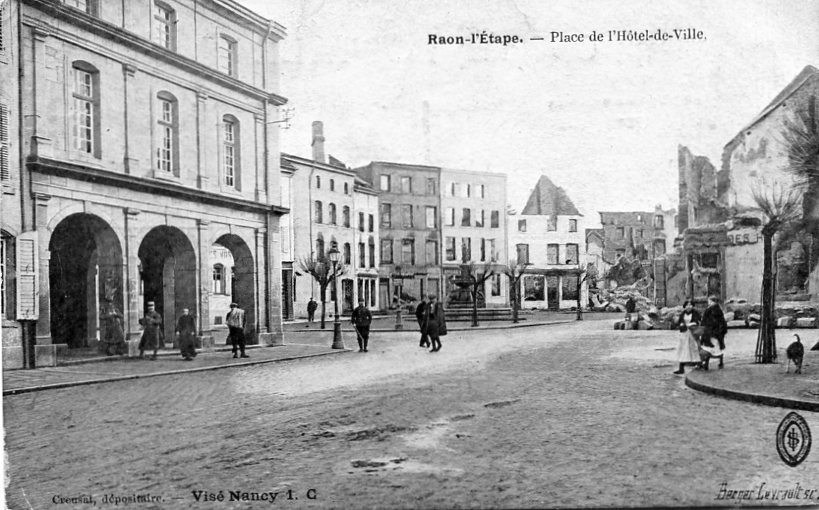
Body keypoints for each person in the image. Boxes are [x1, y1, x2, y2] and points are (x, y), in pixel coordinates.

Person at [672, 300, 702, 375]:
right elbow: (679, 322)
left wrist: (690, 324)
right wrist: (681, 324)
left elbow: (697, 321)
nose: (689, 307)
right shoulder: (683, 314)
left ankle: (699, 363)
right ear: (684, 306)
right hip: (684, 333)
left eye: (690, 305)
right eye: (687, 305)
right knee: (683, 349)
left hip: (693, 333)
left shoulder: (695, 313)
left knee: (694, 348)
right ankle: (681, 368)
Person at [700, 295, 727, 369]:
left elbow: (708, 320)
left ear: (713, 302)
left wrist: (705, 327)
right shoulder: (717, 309)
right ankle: (719, 362)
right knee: (714, 347)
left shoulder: (712, 310)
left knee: (710, 347)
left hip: (712, 332)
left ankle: (707, 363)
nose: (708, 302)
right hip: (715, 332)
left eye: (710, 301)